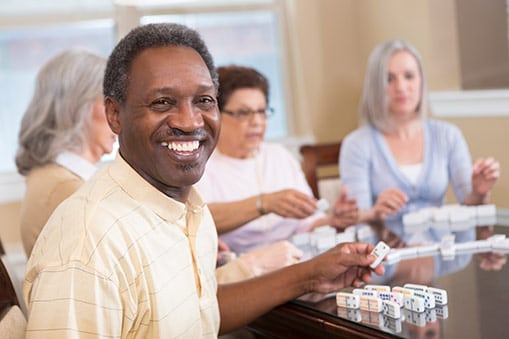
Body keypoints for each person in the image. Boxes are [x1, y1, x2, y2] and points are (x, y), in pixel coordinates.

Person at [23, 23, 384, 338]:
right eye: (163, 102)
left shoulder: (186, 207)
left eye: (204, 100)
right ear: (114, 114)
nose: (191, 121)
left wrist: (309, 275)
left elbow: (199, 312)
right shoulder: (89, 244)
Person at [339, 39, 500, 278]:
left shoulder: (448, 135)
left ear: (421, 81)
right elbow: (355, 220)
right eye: (389, 78)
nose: (401, 87)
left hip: (441, 249)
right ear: (375, 86)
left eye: (409, 76)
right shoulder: (357, 144)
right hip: (382, 260)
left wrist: (479, 191)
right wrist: (375, 211)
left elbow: (470, 210)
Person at [195, 65, 358, 255]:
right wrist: (264, 203)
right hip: (241, 266)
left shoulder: (278, 156)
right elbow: (200, 222)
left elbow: (306, 222)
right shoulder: (201, 164)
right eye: (243, 113)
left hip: (295, 257)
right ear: (216, 115)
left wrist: (332, 221)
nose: (257, 122)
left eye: (262, 112)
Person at [15, 49, 117, 257]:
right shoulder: (67, 189)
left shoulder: (54, 176)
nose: (118, 117)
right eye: (109, 103)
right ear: (77, 106)